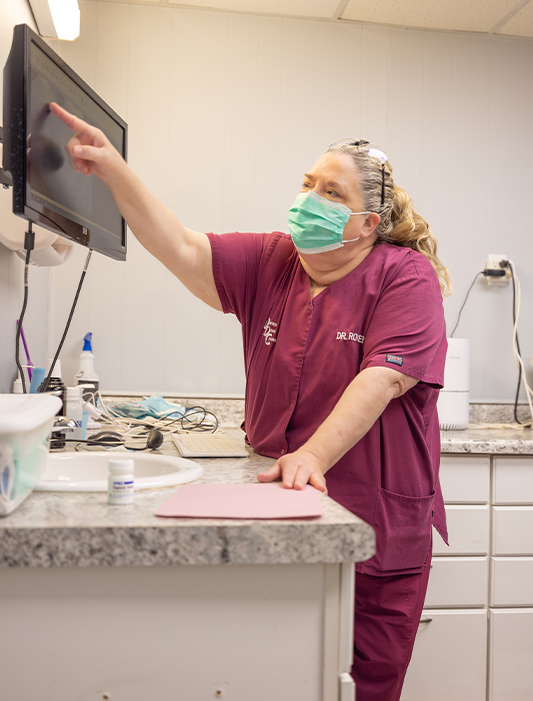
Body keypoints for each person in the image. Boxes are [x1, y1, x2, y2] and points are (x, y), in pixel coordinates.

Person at [49, 102, 451, 701]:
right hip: (277, 506)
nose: (309, 198)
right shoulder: (274, 260)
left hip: (375, 529)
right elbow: (181, 247)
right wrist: (113, 170)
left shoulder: (405, 275)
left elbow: (381, 378)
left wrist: (311, 456)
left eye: (331, 192)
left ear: (368, 222)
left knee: (364, 688)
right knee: (274, 676)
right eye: (307, 183)